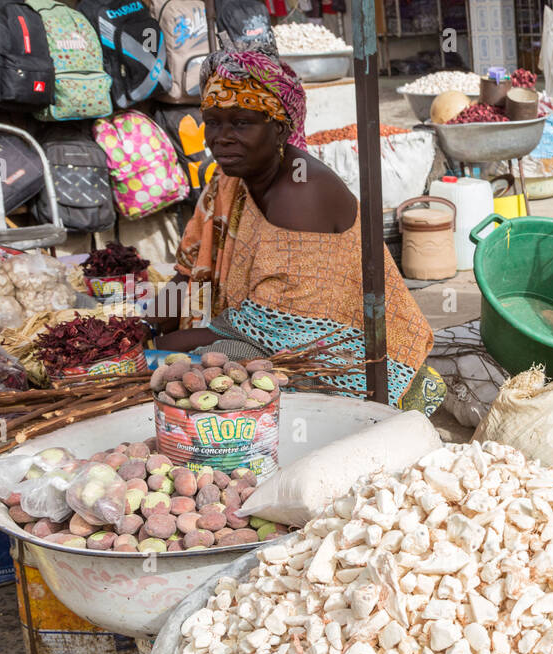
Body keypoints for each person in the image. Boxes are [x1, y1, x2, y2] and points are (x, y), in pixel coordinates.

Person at [149, 48, 443, 414]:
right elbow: (188, 269)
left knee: (209, 365)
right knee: (179, 363)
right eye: (213, 121)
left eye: (241, 123)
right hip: (269, 336)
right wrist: (143, 325)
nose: (222, 137)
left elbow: (268, 327)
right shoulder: (228, 179)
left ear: (280, 129)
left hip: (344, 359)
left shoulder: (299, 190)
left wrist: (162, 343)